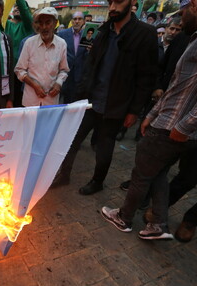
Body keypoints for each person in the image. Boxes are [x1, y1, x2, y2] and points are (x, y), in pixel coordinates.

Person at [101, 0, 197, 240]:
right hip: (173, 124)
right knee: (157, 172)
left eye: (182, 9)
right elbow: (178, 88)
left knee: (141, 173)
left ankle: (124, 218)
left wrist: (185, 125)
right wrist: (152, 114)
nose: (180, 17)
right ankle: (158, 224)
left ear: (196, 4)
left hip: (173, 128)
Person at [52, 0, 158, 195]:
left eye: (118, 2)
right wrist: (80, 97)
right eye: (110, 2)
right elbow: (90, 66)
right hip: (91, 101)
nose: (112, 8)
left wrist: (134, 111)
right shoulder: (103, 31)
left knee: (104, 146)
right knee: (72, 140)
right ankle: (63, 174)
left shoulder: (145, 33)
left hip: (116, 104)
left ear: (132, 2)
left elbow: (146, 77)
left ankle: (97, 181)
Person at [15, 7, 68, 107]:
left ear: (55, 23)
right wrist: (34, 85)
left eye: (48, 23)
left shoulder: (62, 44)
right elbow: (19, 70)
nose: (44, 27)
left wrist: (58, 83)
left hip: (51, 101)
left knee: (49, 123)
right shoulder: (29, 43)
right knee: (30, 123)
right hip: (31, 100)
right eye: (41, 23)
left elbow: (64, 70)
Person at [5, 0, 34, 107]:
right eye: (15, 6)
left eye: (20, 7)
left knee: (19, 103)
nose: (17, 8)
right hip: (6, 72)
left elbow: (25, 11)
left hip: (23, 73)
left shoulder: (27, 25)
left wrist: (20, 3)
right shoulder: (6, 24)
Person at [58, 11, 89, 104]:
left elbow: (88, 57)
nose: (77, 21)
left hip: (79, 77)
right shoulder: (62, 34)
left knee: (75, 105)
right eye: (75, 19)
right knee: (61, 104)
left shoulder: (88, 35)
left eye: (79, 19)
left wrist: (90, 51)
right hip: (64, 75)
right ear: (71, 21)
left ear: (83, 21)